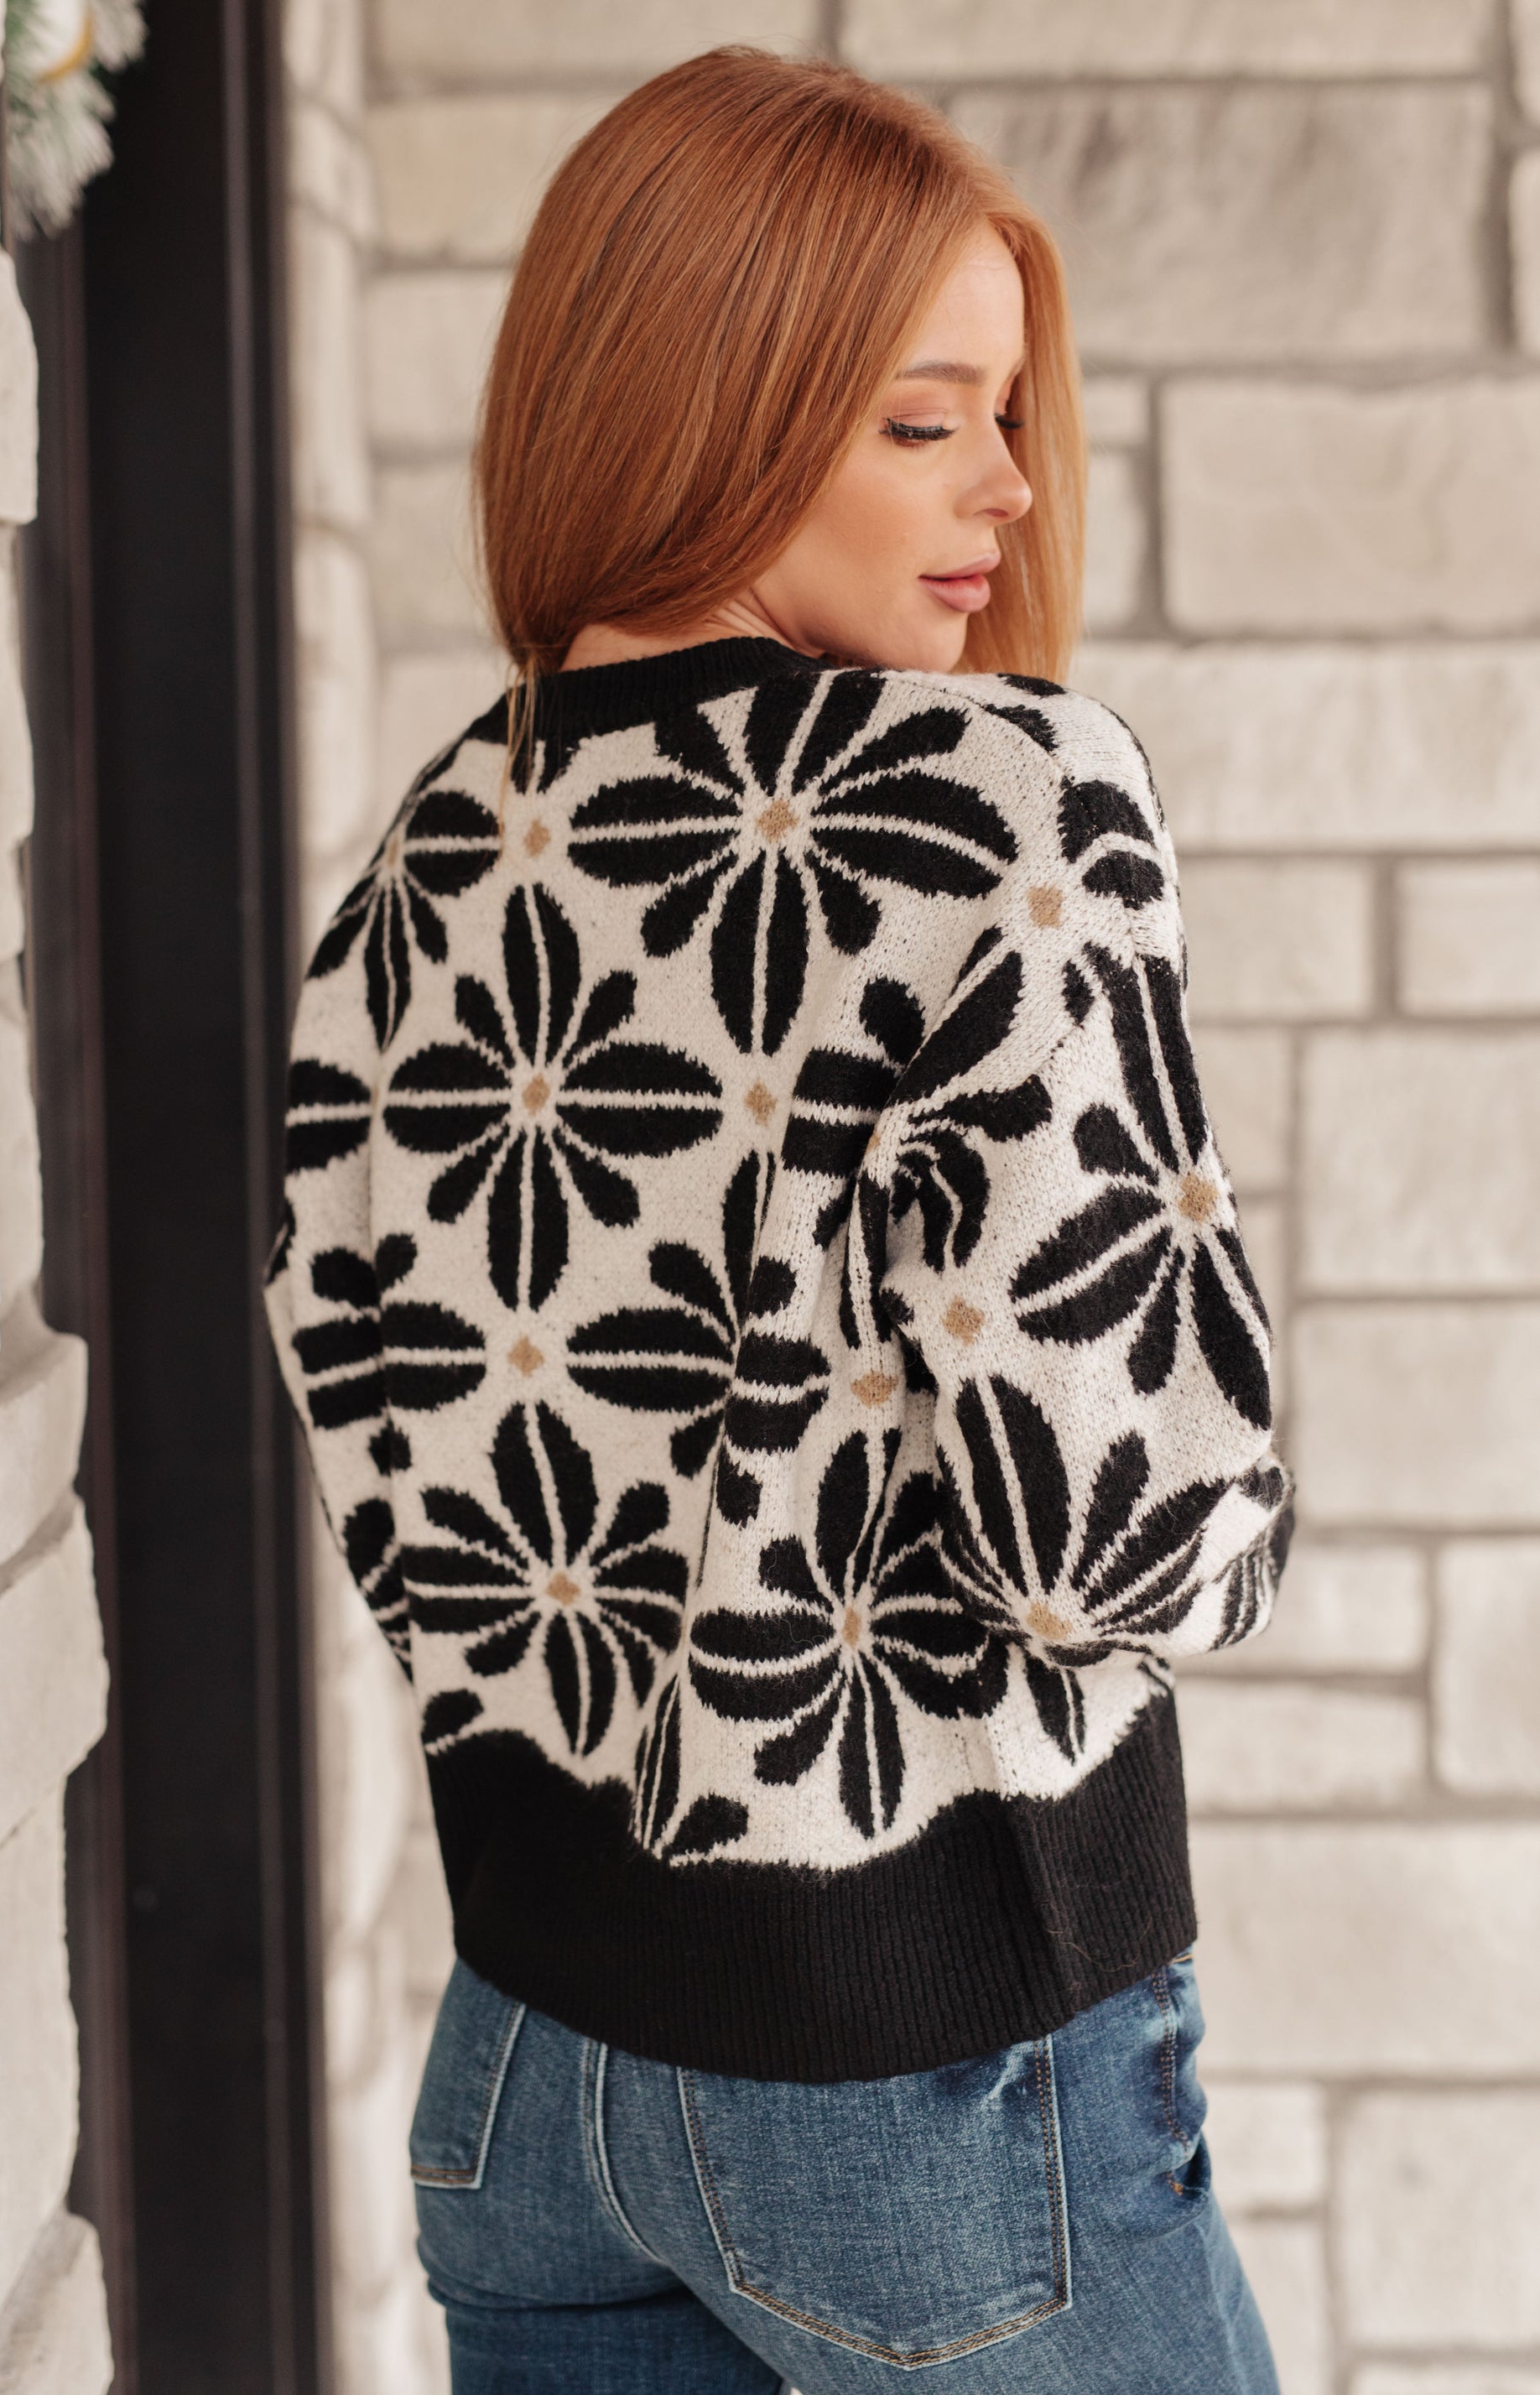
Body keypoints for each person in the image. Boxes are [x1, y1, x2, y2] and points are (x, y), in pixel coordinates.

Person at [266, 46, 1293, 2395]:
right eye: (922, 420)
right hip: (929, 2094)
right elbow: (1120, 1536)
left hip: (528, 2074)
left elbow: (370, 1403)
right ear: (702, 407)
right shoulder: (993, 798)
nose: (1005, 485)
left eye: (1003, 416)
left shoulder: (433, 856)